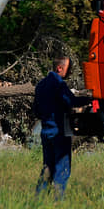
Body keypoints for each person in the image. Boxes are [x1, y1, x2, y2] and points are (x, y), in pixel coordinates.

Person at [33, 56, 84, 197]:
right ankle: (58, 201)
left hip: (45, 132)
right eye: (68, 68)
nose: (69, 72)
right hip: (59, 132)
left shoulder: (41, 85)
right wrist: (91, 99)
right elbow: (71, 101)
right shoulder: (59, 84)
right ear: (59, 68)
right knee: (62, 169)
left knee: (47, 167)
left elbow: (36, 111)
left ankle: (38, 199)